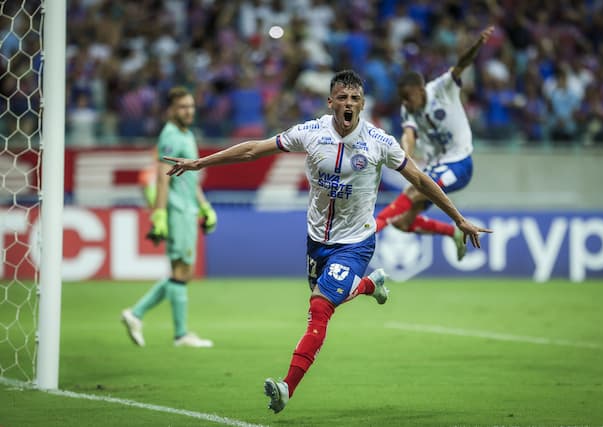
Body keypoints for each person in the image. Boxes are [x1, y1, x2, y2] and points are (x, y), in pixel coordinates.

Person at [164, 70, 491, 412]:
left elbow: (421, 181)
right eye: (342, 98)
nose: (348, 104)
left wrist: (457, 218)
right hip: (317, 241)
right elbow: (252, 150)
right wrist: (201, 163)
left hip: (356, 243)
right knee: (323, 297)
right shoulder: (311, 132)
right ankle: (368, 286)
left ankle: (286, 387)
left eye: (355, 99)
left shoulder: (380, 142)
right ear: (330, 102)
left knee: (319, 309)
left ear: (362, 104)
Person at [375, 26, 495, 261]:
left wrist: (476, 45)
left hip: (459, 163)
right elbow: (408, 135)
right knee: (403, 222)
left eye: (408, 97)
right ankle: (453, 232)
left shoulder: (441, 88)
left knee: (413, 191)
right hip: (434, 166)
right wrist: (405, 156)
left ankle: (371, 229)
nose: (406, 103)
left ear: (420, 91)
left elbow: (461, 64)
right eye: (402, 99)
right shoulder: (408, 109)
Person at [121, 86, 218, 348]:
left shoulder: (186, 134)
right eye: (182, 107)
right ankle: (179, 334)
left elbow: (190, 176)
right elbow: (162, 180)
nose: (188, 111)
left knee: (182, 272)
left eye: (191, 106)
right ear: (171, 110)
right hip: (176, 210)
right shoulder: (171, 135)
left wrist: (204, 206)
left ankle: (137, 314)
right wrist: (160, 214)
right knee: (181, 271)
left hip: (187, 209)